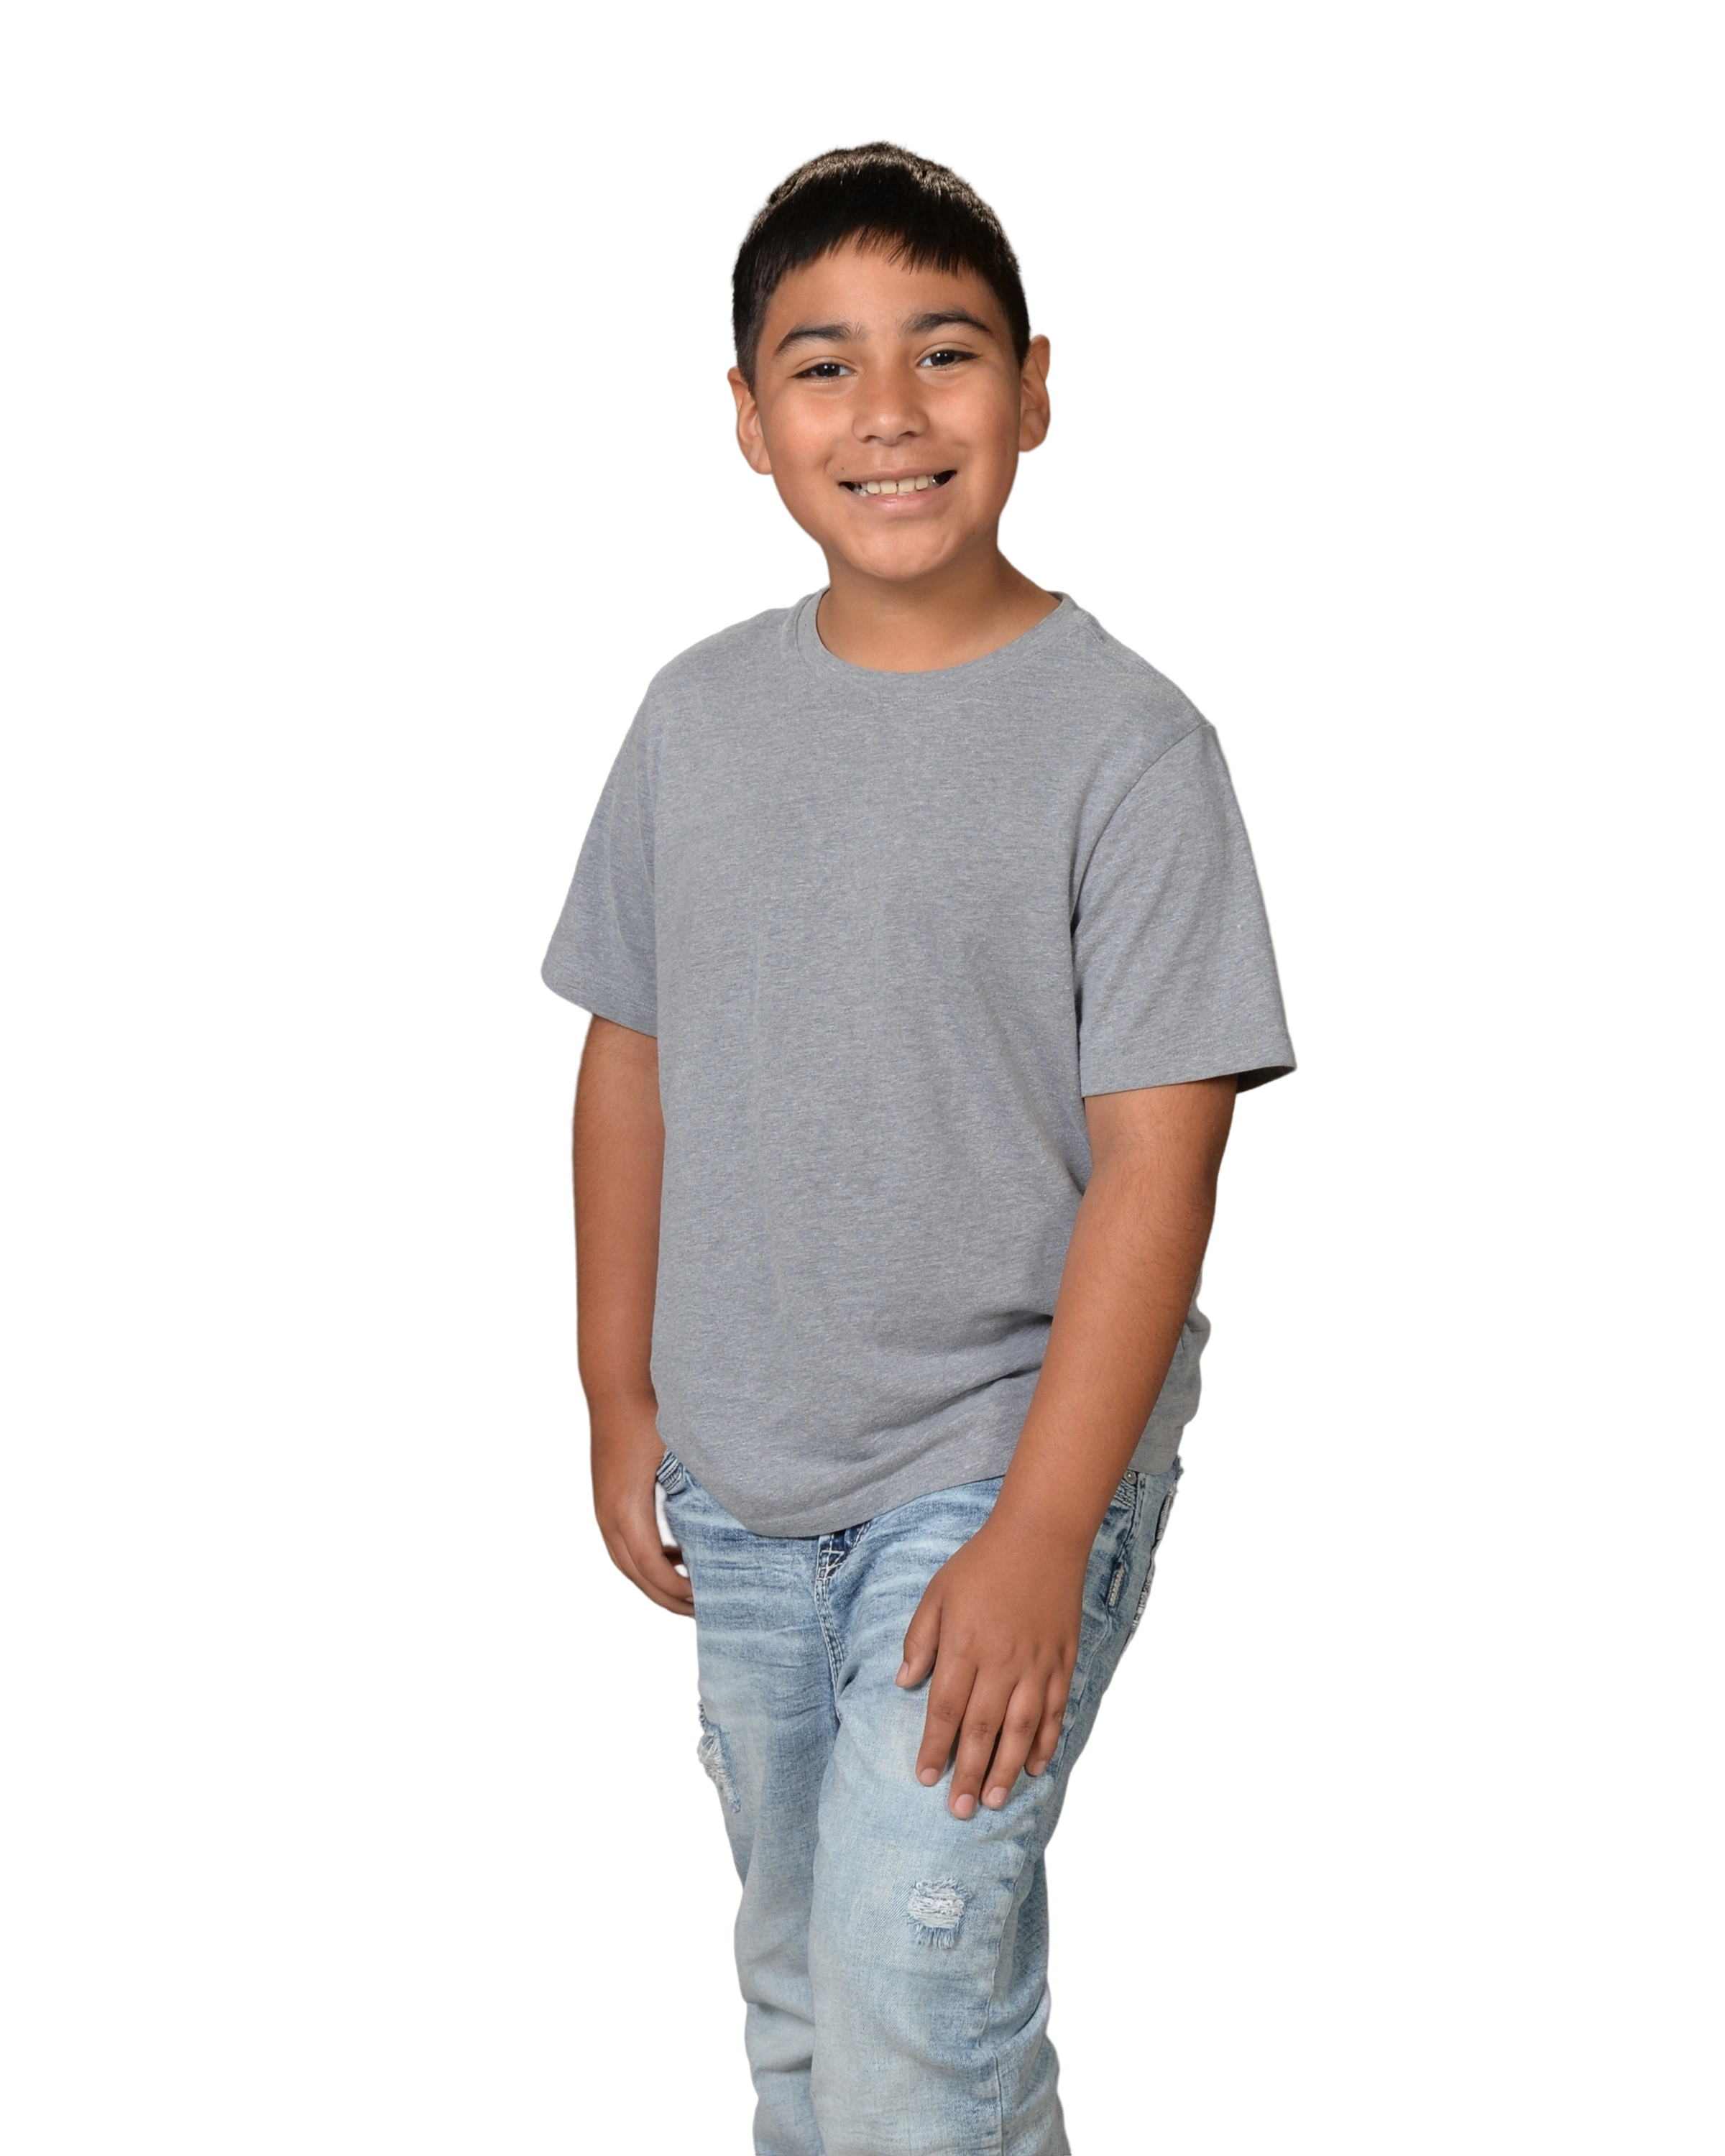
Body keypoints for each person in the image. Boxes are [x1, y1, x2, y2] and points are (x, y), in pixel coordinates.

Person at [538, 136, 1296, 2156]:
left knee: (913, 1981)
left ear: (1036, 395)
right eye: (825, 365)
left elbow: (1161, 1166)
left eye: (945, 353)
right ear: (749, 422)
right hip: (743, 1466)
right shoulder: (694, 719)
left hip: (994, 1462)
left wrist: (1041, 1531)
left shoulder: (1129, 749)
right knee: (810, 1982)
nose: (888, 411)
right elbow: (630, 1056)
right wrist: (619, 1393)